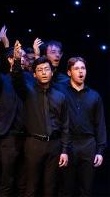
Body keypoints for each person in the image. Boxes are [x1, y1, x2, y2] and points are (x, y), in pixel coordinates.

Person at [12, 43, 70, 196]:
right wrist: (17, 60)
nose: (43, 73)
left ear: (51, 72)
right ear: (34, 74)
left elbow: (65, 125)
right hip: (34, 144)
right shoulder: (28, 92)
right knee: (31, 187)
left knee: (50, 188)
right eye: (39, 70)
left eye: (46, 69)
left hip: (55, 145)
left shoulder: (60, 97)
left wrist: (64, 150)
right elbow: (17, 80)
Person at [54, 57, 107, 196]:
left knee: (86, 189)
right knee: (66, 188)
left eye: (83, 68)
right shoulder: (61, 92)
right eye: (76, 68)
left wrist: (100, 151)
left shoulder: (94, 96)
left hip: (88, 145)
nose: (80, 71)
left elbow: (100, 124)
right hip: (67, 144)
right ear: (69, 72)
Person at [0, 34, 25, 197]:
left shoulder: (29, 80)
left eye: (23, 57)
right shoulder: (3, 79)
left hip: (27, 136)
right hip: (8, 135)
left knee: (24, 181)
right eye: (19, 56)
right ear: (11, 59)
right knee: (7, 180)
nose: (23, 59)